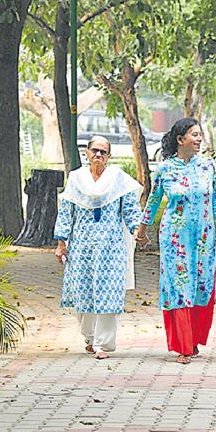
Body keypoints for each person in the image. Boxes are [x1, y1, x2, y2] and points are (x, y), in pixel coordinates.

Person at [136, 117, 216, 364]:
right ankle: (183, 346)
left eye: (200, 135)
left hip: (205, 238)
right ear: (180, 140)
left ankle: (194, 339)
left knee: (201, 285)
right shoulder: (166, 169)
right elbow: (154, 200)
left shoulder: (209, 166)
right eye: (194, 135)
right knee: (179, 287)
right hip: (174, 238)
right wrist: (142, 230)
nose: (199, 139)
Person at [54, 136, 142, 359]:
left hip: (110, 247)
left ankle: (103, 344)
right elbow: (66, 212)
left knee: (109, 292)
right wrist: (61, 243)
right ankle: (89, 337)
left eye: (103, 152)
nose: (98, 155)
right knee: (83, 292)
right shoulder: (76, 179)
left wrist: (137, 230)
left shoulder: (118, 179)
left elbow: (130, 209)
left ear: (109, 156)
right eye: (95, 150)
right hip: (82, 246)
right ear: (86, 152)